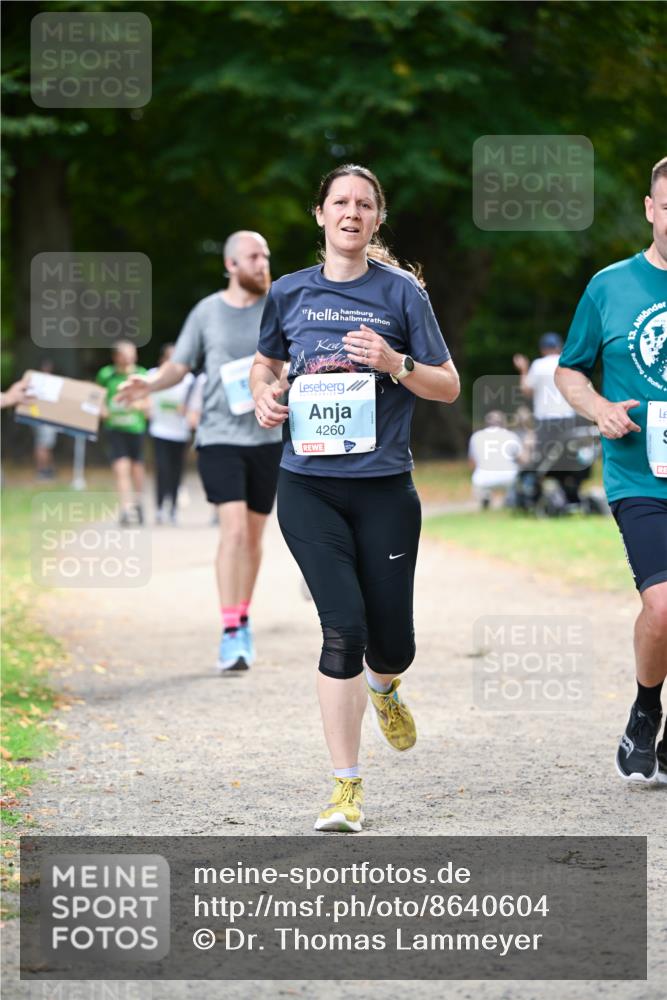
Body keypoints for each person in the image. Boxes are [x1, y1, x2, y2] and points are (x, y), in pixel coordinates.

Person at [251, 164, 460, 832]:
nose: (350, 212)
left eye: (363, 204)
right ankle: (345, 788)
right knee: (342, 625)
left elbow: (448, 385)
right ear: (319, 215)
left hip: (383, 489)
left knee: (390, 643)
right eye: (339, 202)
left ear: (377, 219)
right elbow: (267, 363)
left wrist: (394, 364)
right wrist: (263, 392)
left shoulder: (402, 294)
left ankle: (385, 685)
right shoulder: (287, 293)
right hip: (308, 487)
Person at [115, 231, 283, 674]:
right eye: (253, 256)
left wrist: (283, 384)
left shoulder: (278, 306)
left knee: (253, 537)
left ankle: (242, 617)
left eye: (265, 255)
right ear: (230, 264)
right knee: (232, 533)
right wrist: (148, 383)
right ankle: (230, 632)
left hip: (267, 439)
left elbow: (299, 360)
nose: (263, 263)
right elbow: (180, 364)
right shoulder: (207, 312)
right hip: (220, 437)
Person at [555, 155, 667, 786]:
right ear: (651, 210)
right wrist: (598, 407)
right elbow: (569, 368)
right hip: (640, 474)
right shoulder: (610, 286)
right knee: (664, 606)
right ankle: (646, 708)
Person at [513, 332, 586, 504]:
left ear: (543, 349)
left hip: (546, 421)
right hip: (568, 419)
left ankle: (535, 494)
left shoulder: (538, 365)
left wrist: (523, 369)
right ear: (559, 347)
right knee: (567, 457)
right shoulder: (568, 363)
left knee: (544, 460)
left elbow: (527, 390)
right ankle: (570, 492)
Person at [96, 341, 148, 525]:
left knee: (137, 468)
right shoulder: (106, 374)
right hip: (115, 428)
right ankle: (126, 508)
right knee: (121, 468)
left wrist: (136, 405)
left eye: (132, 354)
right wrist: (102, 409)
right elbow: (98, 396)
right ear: (116, 356)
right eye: (126, 354)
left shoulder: (142, 375)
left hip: (136, 429)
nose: (130, 358)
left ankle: (139, 502)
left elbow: (149, 405)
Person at [147, 344, 194, 524]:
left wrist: (188, 412)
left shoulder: (188, 380)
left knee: (176, 472)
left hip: (180, 433)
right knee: (162, 469)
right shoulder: (152, 375)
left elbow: (195, 405)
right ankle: (159, 507)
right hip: (159, 431)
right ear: (163, 359)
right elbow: (146, 397)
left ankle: (173, 508)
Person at [468, 410, 521, 509]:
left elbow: (472, 462)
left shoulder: (476, 436)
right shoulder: (511, 436)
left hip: (483, 478)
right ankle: (510, 499)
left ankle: (485, 496)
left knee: (479, 479)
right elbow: (521, 459)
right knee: (516, 477)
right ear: (503, 423)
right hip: (509, 476)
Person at [32, 359, 58, 480]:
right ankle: (42, 470)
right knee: (43, 445)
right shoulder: (40, 383)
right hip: (42, 418)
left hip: (43, 417)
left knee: (45, 445)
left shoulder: (37, 381)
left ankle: (46, 469)